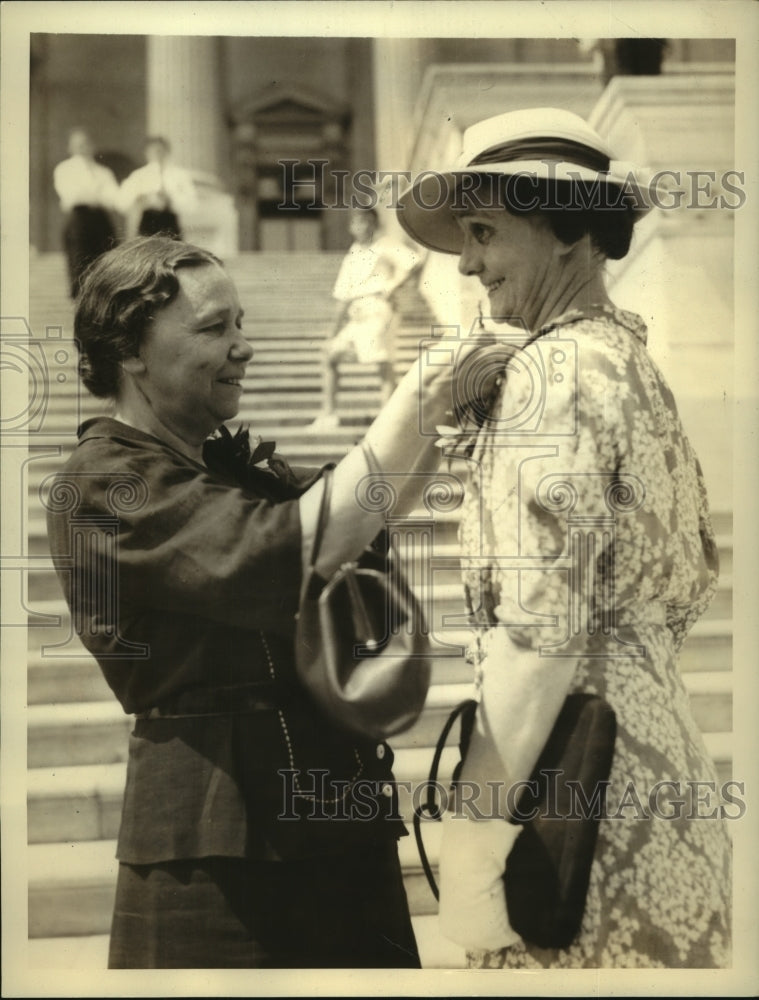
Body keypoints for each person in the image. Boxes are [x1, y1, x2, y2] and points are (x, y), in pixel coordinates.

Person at [45, 235, 504, 969]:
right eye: (213, 328)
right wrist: (423, 391)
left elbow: (362, 513)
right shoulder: (104, 481)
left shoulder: (217, 464)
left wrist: (437, 418)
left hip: (333, 821)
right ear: (130, 351)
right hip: (219, 847)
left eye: (241, 322)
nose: (244, 347)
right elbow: (290, 546)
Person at [396, 107, 732, 968]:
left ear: (569, 230)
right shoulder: (627, 362)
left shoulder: (554, 372)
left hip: (573, 812)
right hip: (657, 777)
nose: (464, 261)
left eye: (483, 231)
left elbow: (539, 631)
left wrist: (473, 843)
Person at [309, 207, 421, 431]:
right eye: (356, 223)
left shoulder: (385, 245)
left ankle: (387, 420)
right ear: (351, 227)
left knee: (382, 363)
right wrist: (333, 331)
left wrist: (392, 287)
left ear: (374, 224)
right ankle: (329, 415)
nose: (360, 227)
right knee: (330, 355)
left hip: (378, 309)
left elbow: (415, 262)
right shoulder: (352, 253)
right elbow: (343, 295)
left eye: (365, 222)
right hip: (356, 313)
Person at [52, 128, 120, 297]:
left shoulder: (103, 172)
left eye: (86, 144)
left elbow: (114, 198)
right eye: (78, 145)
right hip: (79, 220)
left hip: (101, 220)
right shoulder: (64, 169)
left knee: (106, 265)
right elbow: (71, 195)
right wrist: (98, 193)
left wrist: (93, 194)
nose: (83, 148)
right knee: (80, 265)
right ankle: (81, 304)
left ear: (93, 146)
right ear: (70, 148)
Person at [117, 136, 197, 239]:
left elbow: (192, 205)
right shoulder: (138, 175)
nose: (158, 155)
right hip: (147, 222)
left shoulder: (180, 175)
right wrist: (139, 199)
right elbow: (121, 203)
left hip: (171, 222)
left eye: (160, 151)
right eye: (153, 151)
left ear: (167, 152)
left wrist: (171, 200)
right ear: (146, 153)